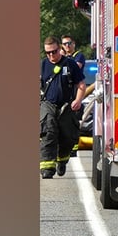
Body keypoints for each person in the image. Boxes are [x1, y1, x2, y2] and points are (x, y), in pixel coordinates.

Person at [40, 36, 86, 179]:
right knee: (49, 132)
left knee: (67, 136)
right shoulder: (43, 65)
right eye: (48, 53)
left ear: (59, 48)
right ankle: (47, 168)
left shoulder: (70, 64)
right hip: (48, 103)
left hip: (67, 105)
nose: (51, 55)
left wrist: (78, 100)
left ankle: (62, 161)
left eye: (54, 52)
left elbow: (81, 85)